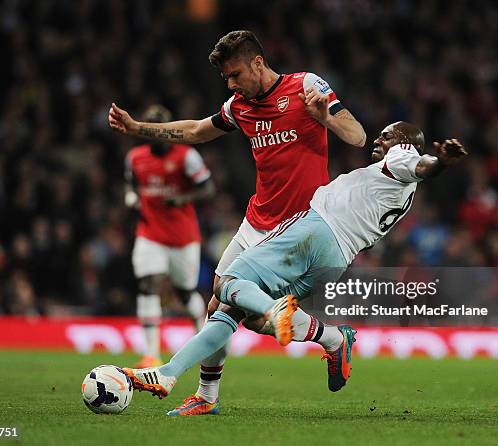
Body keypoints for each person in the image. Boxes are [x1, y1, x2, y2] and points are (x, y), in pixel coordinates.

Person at [121, 122, 469, 408]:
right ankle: (330, 338)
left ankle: (277, 313)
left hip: (315, 232)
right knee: (242, 314)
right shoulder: (399, 189)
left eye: (387, 134)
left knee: (226, 283)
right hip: (338, 258)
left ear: (405, 142)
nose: (379, 138)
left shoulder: (403, 156)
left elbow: (423, 166)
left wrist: (441, 162)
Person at [109, 30, 367, 415]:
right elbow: (197, 130)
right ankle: (212, 393)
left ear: (258, 63)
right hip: (255, 222)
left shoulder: (306, 86)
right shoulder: (239, 106)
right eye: (226, 79)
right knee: (222, 305)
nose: (231, 85)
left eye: (235, 75)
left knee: (233, 306)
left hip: (297, 229)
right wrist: (137, 129)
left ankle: (326, 340)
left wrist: (325, 117)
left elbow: (359, 136)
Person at [125, 105, 215, 368]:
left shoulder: (187, 156)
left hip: (182, 238)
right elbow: (131, 184)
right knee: (147, 284)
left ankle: (203, 335)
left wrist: (183, 198)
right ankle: (151, 353)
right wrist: (131, 197)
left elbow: (208, 187)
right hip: (149, 233)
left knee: (185, 292)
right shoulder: (135, 158)